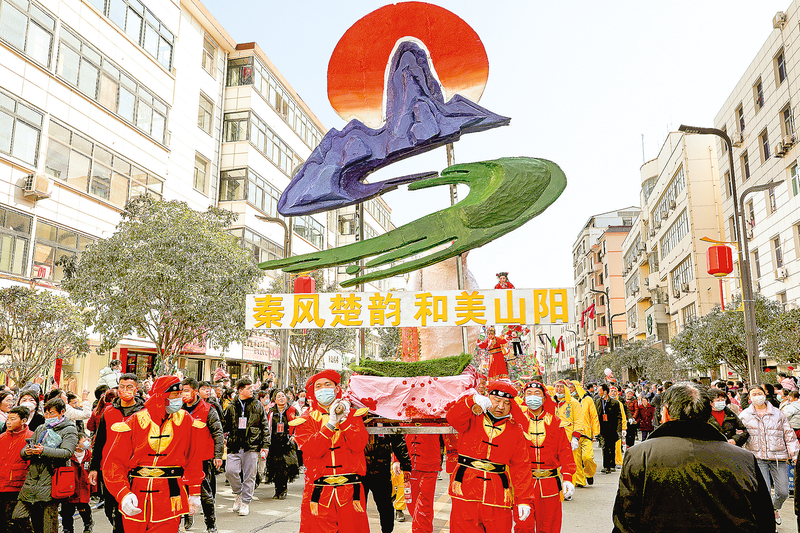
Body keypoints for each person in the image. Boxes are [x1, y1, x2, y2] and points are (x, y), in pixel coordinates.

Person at [612, 381, 776, 533]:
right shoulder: (743, 459)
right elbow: (765, 520)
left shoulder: (639, 455)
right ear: (708, 414)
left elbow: (625, 520)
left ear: (665, 413)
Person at [102, 375, 205, 533]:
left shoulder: (185, 420)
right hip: (136, 493)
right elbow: (114, 462)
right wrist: (122, 493)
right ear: (161, 396)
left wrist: (195, 491)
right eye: (175, 395)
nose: (180, 399)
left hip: (171, 495)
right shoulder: (135, 420)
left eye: (180, 394)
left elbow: (194, 458)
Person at [446, 380, 533, 532]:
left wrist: (524, 500)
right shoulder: (472, 417)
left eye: (506, 403)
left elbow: (521, 467)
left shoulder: (515, 430)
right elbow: (452, 417)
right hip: (465, 489)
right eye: (497, 400)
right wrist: (471, 400)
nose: (501, 406)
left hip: (498, 494)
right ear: (487, 398)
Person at [291, 369, 370, 533]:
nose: (323, 389)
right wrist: (331, 424)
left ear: (337, 388)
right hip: (318, 493)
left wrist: (344, 421)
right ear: (313, 392)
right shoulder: (305, 420)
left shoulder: (353, 415)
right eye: (318, 386)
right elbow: (314, 450)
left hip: (351, 491)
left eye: (327, 385)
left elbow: (358, 445)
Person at [13, 398, 79, 533]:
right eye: (46, 413)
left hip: (52, 478)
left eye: (52, 413)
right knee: (18, 516)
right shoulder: (41, 428)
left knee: (49, 524)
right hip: (32, 479)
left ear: (62, 412)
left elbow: (67, 453)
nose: (48, 416)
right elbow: (24, 451)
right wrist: (27, 451)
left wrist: (43, 451)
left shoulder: (69, 429)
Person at [89, 373, 144, 533]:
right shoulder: (109, 411)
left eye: (129, 387)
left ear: (136, 389)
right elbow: (99, 441)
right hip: (110, 468)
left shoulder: (144, 412)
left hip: (135, 469)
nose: (125, 390)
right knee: (109, 509)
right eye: (122, 387)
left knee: (126, 509)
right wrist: (94, 468)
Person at [518, 380, 576, 532]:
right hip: (524, 484)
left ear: (544, 398)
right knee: (523, 526)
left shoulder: (555, 422)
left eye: (537, 393)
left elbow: (565, 450)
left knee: (550, 525)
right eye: (529, 393)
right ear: (524, 397)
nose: (533, 397)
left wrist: (568, 476)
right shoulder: (518, 422)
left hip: (549, 483)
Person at [740, 385, 799, 526]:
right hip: (757, 458)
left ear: (764, 394)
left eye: (759, 393)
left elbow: (789, 435)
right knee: (765, 492)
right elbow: (741, 437)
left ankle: (774, 509)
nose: (757, 396)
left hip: (778, 458)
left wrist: (795, 454)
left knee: (783, 492)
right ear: (749, 397)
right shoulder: (744, 415)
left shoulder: (778, 413)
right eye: (754, 394)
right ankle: (768, 521)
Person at [181, 378, 224, 533]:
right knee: (181, 491)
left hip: (202, 458)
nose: (183, 394)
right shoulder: (178, 409)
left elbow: (218, 433)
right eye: (182, 391)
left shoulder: (208, 409)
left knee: (205, 493)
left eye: (186, 390)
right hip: (181, 458)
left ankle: (211, 524)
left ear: (195, 391)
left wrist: (218, 454)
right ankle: (187, 517)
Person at [223, 377, 268, 517]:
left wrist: (265, 445)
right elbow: (224, 425)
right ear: (240, 390)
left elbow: (265, 426)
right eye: (248, 388)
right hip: (234, 445)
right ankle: (238, 493)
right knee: (230, 471)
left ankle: (245, 502)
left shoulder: (257, 405)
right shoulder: (231, 406)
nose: (252, 390)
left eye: (252, 388)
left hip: (252, 445)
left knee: (250, 475)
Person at [363, 432, 412, 533]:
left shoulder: (386, 421)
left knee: (386, 509)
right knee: (357, 510)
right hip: (359, 472)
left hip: (381, 472)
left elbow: (398, 440)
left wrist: (406, 464)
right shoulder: (354, 420)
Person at [0, 406, 32, 533]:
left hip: (18, 486)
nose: (8, 422)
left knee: (14, 521)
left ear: (23, 421)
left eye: (13, 419)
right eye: (8, 418)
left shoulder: (30, 437)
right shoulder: (2, 437)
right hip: (2, 484)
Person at [404, 430, 442, 533]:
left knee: (425, 504)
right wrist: (397, 459)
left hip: (430, 464)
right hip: (409, 464)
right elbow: (399, 435)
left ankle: (422, 531)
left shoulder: (436, 419)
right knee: (411, 502)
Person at [264, 390, 299, 500]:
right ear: (274, 399)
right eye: (278, 396)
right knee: (275, 468)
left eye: (283, 396)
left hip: (287, 443)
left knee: (285, 467)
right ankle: (277, 490)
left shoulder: (293, 410)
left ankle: (283, 489)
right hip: (274, 443)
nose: (281, 398)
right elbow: (266, 427)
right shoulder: (271, 412)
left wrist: (294, 436)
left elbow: (299, 424)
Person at [552, 380, 582, 499]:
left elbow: (578, 421)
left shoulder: (573, 403)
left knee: (569, 465)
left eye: (561, 387)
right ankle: (556, 489)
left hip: (568, 438)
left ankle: (569, 490)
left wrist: (575, 437)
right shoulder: (550, 402)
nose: (559, 389)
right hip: (553, 438)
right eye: (557, 386)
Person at [568, 380, 599, 487]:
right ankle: (579, 481)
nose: (570, 390)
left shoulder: (587, 400)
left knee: (587, 457)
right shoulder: (568, 401)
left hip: (586, 434)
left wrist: (595, 432)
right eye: (569, 388)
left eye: (571, 387)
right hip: (574, 434)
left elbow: (593, 416)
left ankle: (589, 474)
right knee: (576, 460)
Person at [60, 434, 93, 533]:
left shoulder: (89, 456)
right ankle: (67, 529)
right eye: (84, 441)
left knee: (84, 509)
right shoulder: (68, 456)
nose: (87, 442)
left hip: (83, 487)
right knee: (67, 512)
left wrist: (93, 489)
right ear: (76, 444)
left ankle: (88, 525)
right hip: (69, 489)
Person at [595, 384, 623, 474]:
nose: (599, 393)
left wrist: (619, 429)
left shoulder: (615, 402)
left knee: (612, 446)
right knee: (605, 447)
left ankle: (612, 465)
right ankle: (606, 466)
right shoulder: (598, 401)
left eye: (600, 391)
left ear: (605, 392)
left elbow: (619, 417)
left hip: (612, 427)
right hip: (602, 428)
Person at [608, 386, 628, 467]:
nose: (613, 393)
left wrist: (624, 428)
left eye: (614, 391)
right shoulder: (605, 402)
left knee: (617, 446)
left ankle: (618, 461)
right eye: (611, 391)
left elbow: (623, 416)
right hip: (608, 427)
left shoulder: (619, 403)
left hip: (617, 428)